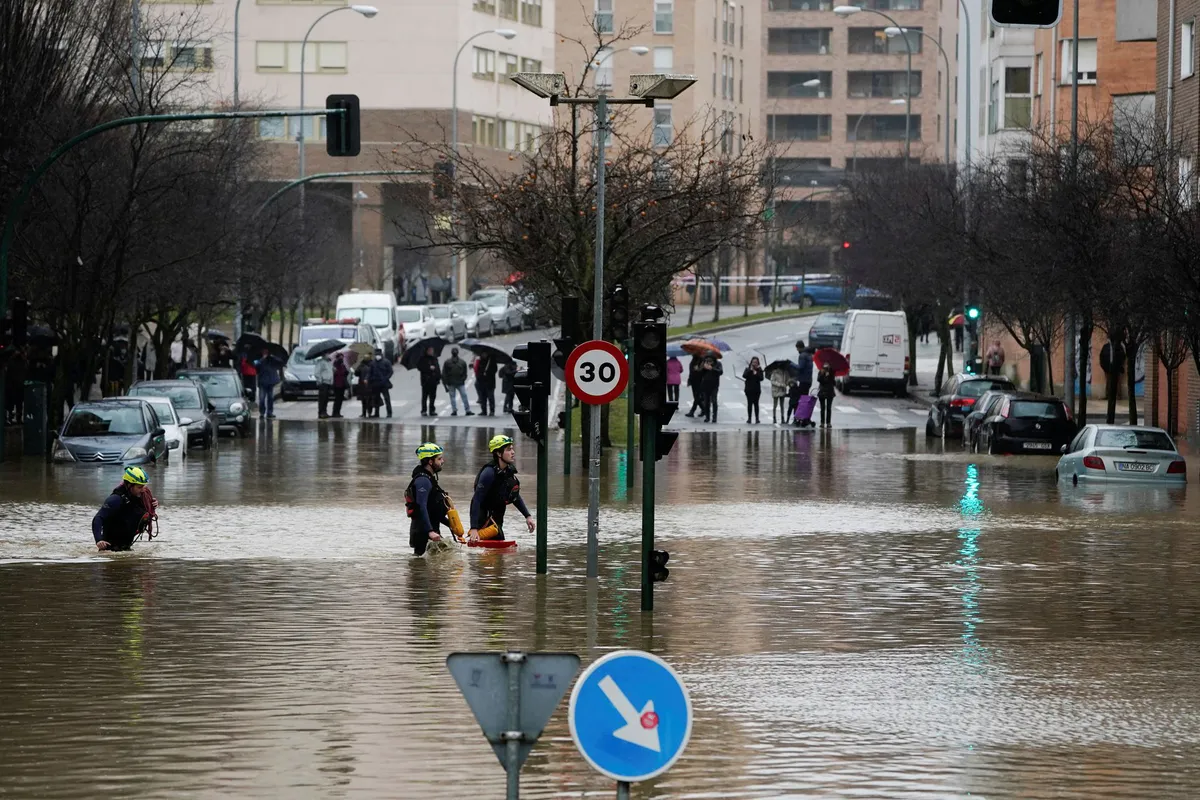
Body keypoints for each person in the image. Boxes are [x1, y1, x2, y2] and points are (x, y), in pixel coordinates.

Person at [469, 435, 535, 542]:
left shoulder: (508, 471)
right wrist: (474, 528)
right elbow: (476, 500)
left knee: (499, 556)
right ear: (499, 454)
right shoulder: (488, 473)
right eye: (509, 449)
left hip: (498, 521)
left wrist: (527, 516)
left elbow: (514, 495)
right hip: (485, 521)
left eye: (512, 448)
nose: (513, 452)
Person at [92, 467, 158, 552]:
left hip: (127, 548)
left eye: (143, 486)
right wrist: (98, 540)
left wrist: (152, 505)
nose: (143, 490)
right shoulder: (115, 499)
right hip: (109, 551)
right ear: (129, 485)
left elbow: (143, 511)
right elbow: (98, 518)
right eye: (139, 487)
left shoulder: (139, 497)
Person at [405, 442, 450, 556]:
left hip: (431, 532)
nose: (442, 461)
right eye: (439, 459)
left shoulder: (429, 479)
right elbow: (421, 506)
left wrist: (451, 525)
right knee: (422, 569)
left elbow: (433, 510)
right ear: (430, 461)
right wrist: (430, 531)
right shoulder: (423, 481)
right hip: (423, 534)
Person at [442, 347, 473, 416]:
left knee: (457, 396)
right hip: (454, 383)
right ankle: (464, 410)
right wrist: (446, 382)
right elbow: (444, 373)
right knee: (462, 396)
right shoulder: (460, 362)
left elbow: (444, 374)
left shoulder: (459, 362)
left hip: (457, 382)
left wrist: (446, 383)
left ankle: (456, 410)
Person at [254, 349, 283, 419]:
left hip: (270, 381)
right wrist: (262, 359)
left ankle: (270, 413)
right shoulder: (258, 358)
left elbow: (280, 362)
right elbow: (255, 365)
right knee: (262, 398)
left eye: (267, 351)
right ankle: (262, 412)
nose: (265, 353)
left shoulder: (272, 359)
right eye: (264, 351)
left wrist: (273, 356)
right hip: (262, 382)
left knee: (270, 398)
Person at [368, 349, 394, 418]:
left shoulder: (386, 362)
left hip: (384, 384)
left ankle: (389, 413)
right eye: (376, 355)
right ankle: (377, 413)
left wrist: (386, 378)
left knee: (387, 399)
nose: (377, 356)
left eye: (378, 355)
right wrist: (368, 379)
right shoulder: (373, 363)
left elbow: (390, 371)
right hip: (375, 384)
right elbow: (370, 372)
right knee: (376, 399)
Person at [417, 346, 441, 417]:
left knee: (433, 396)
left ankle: (432, 410)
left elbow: (437, 368)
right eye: (430, 350)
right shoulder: (422, 359)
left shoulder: (434, 358)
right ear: (427, 351)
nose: (431, 352)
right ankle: (424, 410)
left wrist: (438, 377)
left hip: (433, 381)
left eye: (432, 350)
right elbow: (420, 367)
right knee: (425, 396)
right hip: (426, 381)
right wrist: (428, 367)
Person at [699, 357, 723, 423]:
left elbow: (720, 372)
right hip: (706, 385)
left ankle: (714, 417)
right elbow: (700, 373)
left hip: (714, 385)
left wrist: (712, 368)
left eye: (711, 360)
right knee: (706, 401)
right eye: (708, 359)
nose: (709, 361)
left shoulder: (718, 363)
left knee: (714, 400)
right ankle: (707, 417)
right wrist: (703, 367)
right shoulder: (704, 363)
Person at [743, 357, 764, 424]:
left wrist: (756, 373)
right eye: (753, 362)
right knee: (749, 404)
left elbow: (761, 378)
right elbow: (744, 375)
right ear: (751, 363)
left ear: (758, 363)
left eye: (756, 362)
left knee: (756, 404)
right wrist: (750, 371)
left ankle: (757, 418)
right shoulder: (748, 369)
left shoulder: (759, 370)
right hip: (749, 389)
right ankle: (749, 418)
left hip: (756, 390)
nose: (754, 363)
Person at [816, 362, 836, 428]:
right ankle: (822, 422)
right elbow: (819, 379)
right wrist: (823, 374)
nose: (826, 367)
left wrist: (830, 376)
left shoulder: (832, 372)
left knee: (828, 408)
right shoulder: (821, 371)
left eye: (827, 366)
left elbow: (834, 383)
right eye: (825, 366)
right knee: (822, 408)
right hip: (822, 392)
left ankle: (828, 423)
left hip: (830, 392)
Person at [315, 353, 334, 419]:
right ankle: (321, 412)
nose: (329, 355)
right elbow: (317, 373)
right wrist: (320, 380)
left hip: (329, 383)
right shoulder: (320, 362)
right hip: (323, 383)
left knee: (326, 398)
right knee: (322, 398)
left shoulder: (329, 362)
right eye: (327, 354)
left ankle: (324, 412)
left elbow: (330, 372)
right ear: (323, 355)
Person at [331, 352, 348, 418]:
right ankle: (335, 412)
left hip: (342, 384)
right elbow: (335, 374)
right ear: (337, 358)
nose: (342, 359)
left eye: (342, 357)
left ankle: (338, 412)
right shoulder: (335, 365)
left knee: (340, 399)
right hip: (337, 385)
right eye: (340, 357)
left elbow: (345, 372)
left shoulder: (342, 365)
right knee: (337, 399)